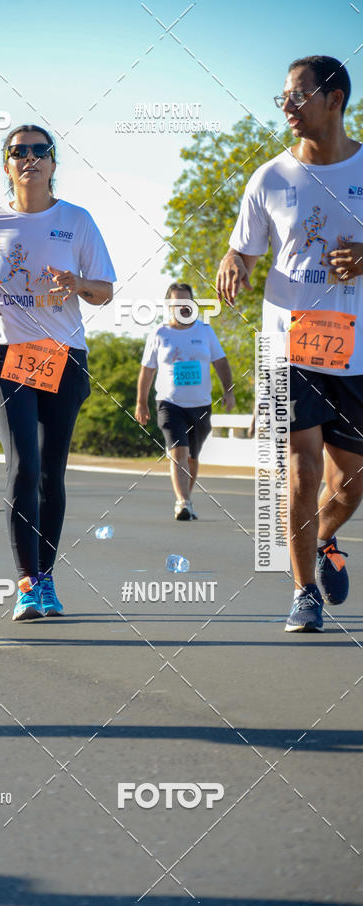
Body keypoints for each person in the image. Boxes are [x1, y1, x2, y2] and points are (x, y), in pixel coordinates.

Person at [216, 55, 363, 632]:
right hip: (290, 345)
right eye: (283, 96)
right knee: (300, 473)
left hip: (356, 352)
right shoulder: (271, 177)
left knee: (349, 486)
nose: (287, 107)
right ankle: (305, 593)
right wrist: (233, 259)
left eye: (298, 95)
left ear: (335, 99)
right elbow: (245, 248)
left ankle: (325, 539)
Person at [0, 124, 115, 620]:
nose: (29, 158)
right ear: (6, 164)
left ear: (53, 164)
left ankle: (46, 578)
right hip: (2, 353)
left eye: (39, 151)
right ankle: (27, 582)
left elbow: (105, 290)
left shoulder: (77, 220)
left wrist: (76, 283)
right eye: (18, 152)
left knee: (51, 472)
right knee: (23, 464)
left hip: (61, 355)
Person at [135, 283, 235, 519]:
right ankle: (183, 501)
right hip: (169, 403)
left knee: (192, 457)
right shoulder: (159, 334)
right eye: (177, 303)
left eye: (187, 302)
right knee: (178, 451)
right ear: (169, 306)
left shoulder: (205, 331)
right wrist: (141, 402)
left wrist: (228, 391)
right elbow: (147, 371)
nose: (183, 307)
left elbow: (221, 362)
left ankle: (186, 502)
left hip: (200, 405)